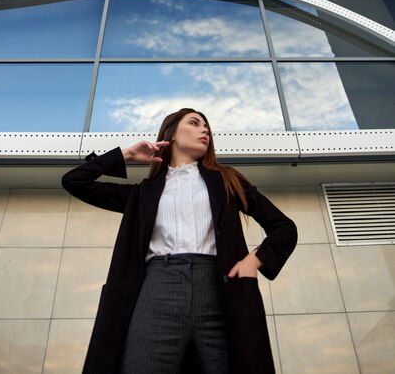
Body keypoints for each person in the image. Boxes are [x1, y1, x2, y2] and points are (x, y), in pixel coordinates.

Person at [61, 107, 297, 374]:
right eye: (195, 123)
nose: (204, 130)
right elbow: (75, 181)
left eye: (206, 126)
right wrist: (126, 154)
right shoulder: (142, 194)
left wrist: (254, 261)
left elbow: (284, 227)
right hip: (156, 291)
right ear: (171, 134)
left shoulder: (228, 180)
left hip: (219, 291)